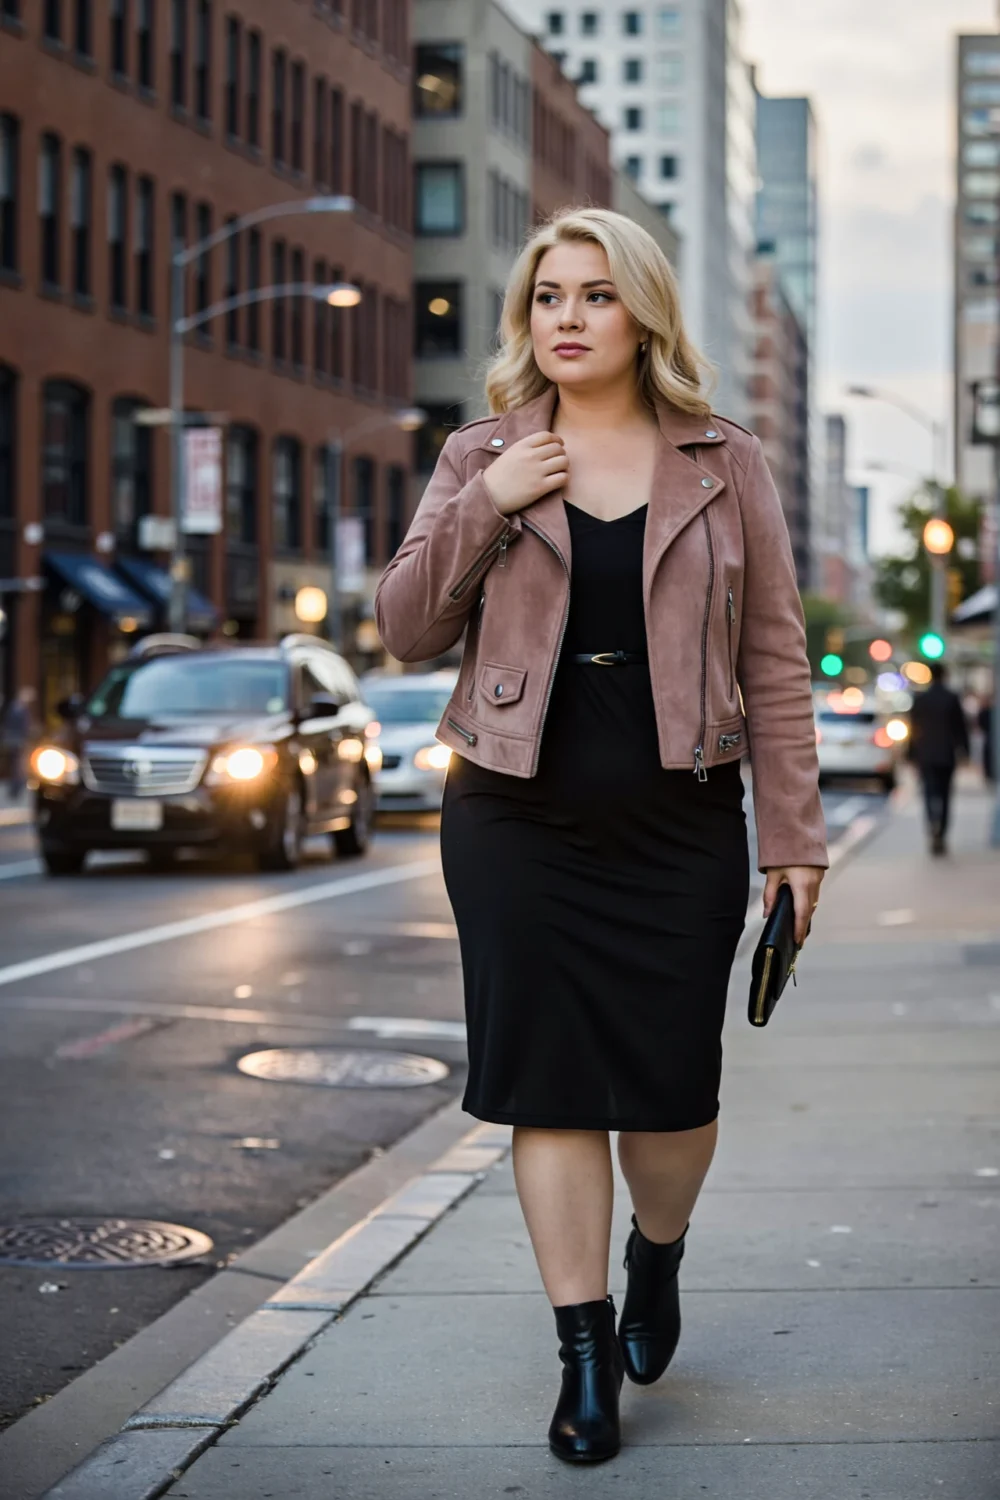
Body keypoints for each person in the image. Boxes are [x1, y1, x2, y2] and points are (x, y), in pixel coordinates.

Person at [375, 208, 827, 1463]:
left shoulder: (724, 461)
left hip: (680, 816)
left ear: (642, 317)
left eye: (593, 296)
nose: (565, 319)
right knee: (552, 1087)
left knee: (673, 1093)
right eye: (545, 298)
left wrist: (796, 842)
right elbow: (405, 629)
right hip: (514, 812)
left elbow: (776, 660)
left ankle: (656, 1254)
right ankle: (582, 1354)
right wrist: (486, 506)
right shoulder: (483, 452)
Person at [908, 661, 970, 854]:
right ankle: (941, 831)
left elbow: (913, 730)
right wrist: (964, 751)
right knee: (945, 795)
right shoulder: (951, 698)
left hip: (925, 754)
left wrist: (910, 754)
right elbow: (961, 728)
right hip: (946, 754)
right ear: (945, 675)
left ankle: (932, 823)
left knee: (928, 793)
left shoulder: (921, 699)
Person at [1, 685, 37, 801]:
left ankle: (16, 789)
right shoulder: (17, 708)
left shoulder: (18, 708)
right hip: (17, 741)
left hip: (16, 741)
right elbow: (18, 726)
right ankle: (16, 788)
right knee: (19, 765)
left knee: (17, 765)